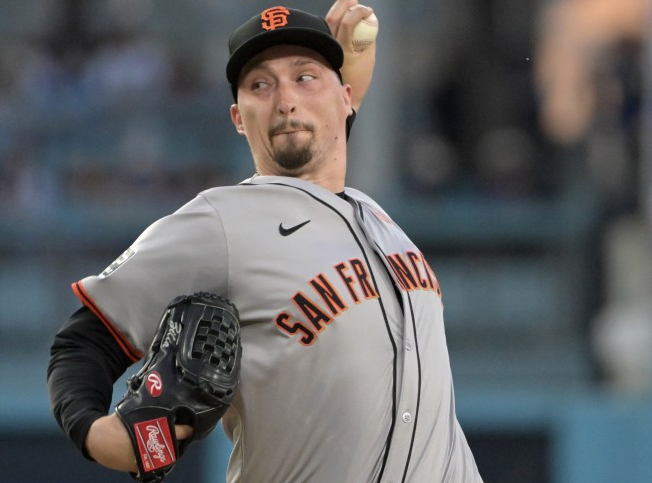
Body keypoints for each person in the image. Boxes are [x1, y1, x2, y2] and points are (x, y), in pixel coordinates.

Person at [47, 2, 483, 481]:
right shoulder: (223, 222)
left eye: (305, 77)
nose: (285, 100)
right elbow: (82, 342)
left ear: (346, 97)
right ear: (238, 117)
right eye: (260, 84)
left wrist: (341, 89)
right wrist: (92, 432)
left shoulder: (378, 219)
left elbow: (325, 160)